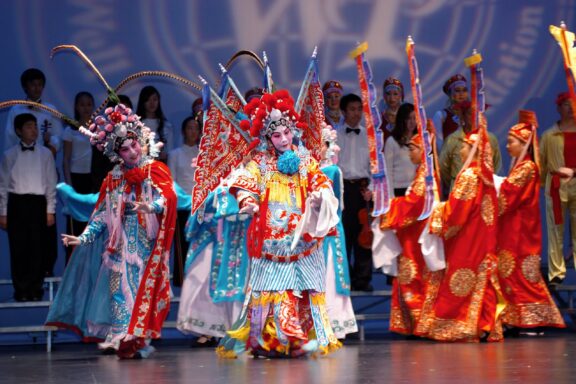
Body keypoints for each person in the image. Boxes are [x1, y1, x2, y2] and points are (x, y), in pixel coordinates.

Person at [47, 103, 177, 359]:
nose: (130, 152)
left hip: (145, 245)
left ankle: (138, 338)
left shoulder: (155, 169)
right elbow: (102, 215)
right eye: (124, 149)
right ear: (117, 153)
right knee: (118, 291)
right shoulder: (114, 177)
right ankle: (121, 337)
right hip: (118, 245)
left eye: (133, 145)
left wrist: (150, 207)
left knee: (141, 291)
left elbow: (168, 197)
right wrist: (83, 237)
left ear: (141, 141)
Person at [217, 90, 341, 358]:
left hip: (303, 239)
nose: (284, 139)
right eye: (276, 135)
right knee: (277, 291)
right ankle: (283, 339)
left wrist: (321, 194)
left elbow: (320, 180)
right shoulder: (260, 163)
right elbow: (242, 183)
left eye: (286, 133)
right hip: (272, 240)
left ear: (293, 130)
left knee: (303, 290)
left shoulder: (305, 159)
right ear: (267, 138)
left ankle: (285, 340)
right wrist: (247, 201)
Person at [420, 123, 502, 342]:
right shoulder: (485, 176)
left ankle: (458, 326)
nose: (461, 150)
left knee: (459, 280)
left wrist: (437, 210)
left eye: (466, 146)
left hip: (467, 239)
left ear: (474, 150)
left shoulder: (469, 176)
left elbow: (456, 213)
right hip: (482, 237)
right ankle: (484, 325)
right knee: (480, 280)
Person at [498, 120, 565, 333]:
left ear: (523, 143)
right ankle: (516, 318)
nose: (507, 146)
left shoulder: (526, 167)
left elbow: (508, 195)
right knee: (511, 273)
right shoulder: (520, 166)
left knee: (523, 275)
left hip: (521, 231)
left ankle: (534, 319)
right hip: (514, 228)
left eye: (511, 142)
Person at [374, 131, 444, 336]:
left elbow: (414, 205)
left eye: (412, 149)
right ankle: (415, 324)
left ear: (423, 151)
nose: (409, 153)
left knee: (415, 278)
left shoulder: (425, 176)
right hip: (412, 235)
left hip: (417, 238)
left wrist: (389, 208)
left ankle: (422, 324)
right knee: (411, 277)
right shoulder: (422, 174)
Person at [177, 173, 250, 347]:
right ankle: (208, 330)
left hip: (237, 234)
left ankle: (233, 329)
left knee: (232, 281)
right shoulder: (213, 180)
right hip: (213, 236)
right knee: (202, 280)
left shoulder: (249, 174)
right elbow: (197, 208)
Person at [0, 113, 57, 301]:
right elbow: (3, 185)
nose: (33, 130)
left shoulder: (46, 154)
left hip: (38, 203)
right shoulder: (9, 156)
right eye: (28, 126)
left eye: (35, 126)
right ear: (18, 131)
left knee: (37, 247)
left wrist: (50, 210)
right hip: (17, 203)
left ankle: (35, 287)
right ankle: (21, 289)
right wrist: (3, 212)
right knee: (18, 248)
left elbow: (51, 183)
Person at [319, 125, 357, 339]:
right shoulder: (312, 170)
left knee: (331, 273)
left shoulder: (333, 171)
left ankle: (336, 323)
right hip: (316, 229)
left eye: (322, 144)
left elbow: (337, 204)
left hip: (330, 226)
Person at [336, 93, 373, 291]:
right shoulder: (336, 135)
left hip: (362, 189)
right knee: (345, 234)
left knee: (364, 234)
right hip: (343, 189)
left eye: (359, 109)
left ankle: (363, 278)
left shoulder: (369, 136)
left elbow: (375, 167)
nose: (356, 113)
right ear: (343, 111)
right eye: (352, 109)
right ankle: (345, 279)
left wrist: (372, 190)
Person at [540, 92, 576, 285]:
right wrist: (545, 184)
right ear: (559, 108)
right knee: (555, 230)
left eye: (573, 104)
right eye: (566, 105)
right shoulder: (549, 135)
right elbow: (543, 164)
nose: (570, 108)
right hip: (556, 188)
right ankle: (556, 273)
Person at [439, 101, 501, 196]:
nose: (474, 117)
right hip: (459, 190)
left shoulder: (490, 139)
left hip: (483, 190)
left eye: (478, 113)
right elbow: (443, 166)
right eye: (470, 114)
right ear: (463, 116)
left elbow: (496, 164)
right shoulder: (452, 139)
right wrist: (456, 179)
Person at [168, 115, 202, 286]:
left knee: (199, 242)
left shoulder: (203, 154)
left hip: (200, 204)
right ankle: (181, 279)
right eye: (189, 128)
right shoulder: (175, 154)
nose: (193, 131)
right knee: (182, 242)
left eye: (196, 128)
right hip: (182, 205)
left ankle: (198, 279)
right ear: (183, 131)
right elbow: (172, 181)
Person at [62, 91, 95, 262]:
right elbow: (66, 160)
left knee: (93, 224)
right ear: (76, 107)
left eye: (89, 104)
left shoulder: (98, 130)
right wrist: (69, 185)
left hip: (93, 179)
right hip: (76, 179)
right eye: (82, 104)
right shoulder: (71, 130)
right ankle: (72, 264)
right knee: (75, 225)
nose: (86, 108)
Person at [4, 68, 63, 155]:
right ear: (25, 87)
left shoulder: (51, 109)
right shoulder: (16, 110)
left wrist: (51, 145)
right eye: (33, 85)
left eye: (40, 84)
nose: (37, 88)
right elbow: (10, 137)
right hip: (20, 158)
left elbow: (58, 136)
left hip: (44, 159)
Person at [90, 94, 132, 192]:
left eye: (126, 112)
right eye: (120, 112)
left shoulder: (136, 135)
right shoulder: (102, 137)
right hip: (108, 191)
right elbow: (97, 171)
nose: (123, 116)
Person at [384, 103, 418, 196]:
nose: (412, 122)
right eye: (408, 118)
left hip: (416, 189)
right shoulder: (392, 141)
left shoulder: (419, 140)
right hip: (398, 190)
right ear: (402, 120)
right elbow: (388, 171)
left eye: (414, 118)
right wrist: (391, 196)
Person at [136, 86, 174, 161]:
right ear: (143, 102)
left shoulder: (166, 126)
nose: (152, 103)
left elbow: (170, 152)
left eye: (155, 99)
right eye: (148, 100)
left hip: (161, 166)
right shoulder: (137, 124)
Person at [432, 74, 469, 143]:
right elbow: (438, 143)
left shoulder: (472, 115)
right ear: (450, 94)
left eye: (464, 90)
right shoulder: (441, 115)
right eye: (457, 90)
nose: (461, 94)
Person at [379, 77, 404, 145]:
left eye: (395, 94)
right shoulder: (378, 119)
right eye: (388, 94)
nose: (391, 98)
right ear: (384, 96)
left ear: (400, 96)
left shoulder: (406, 118)